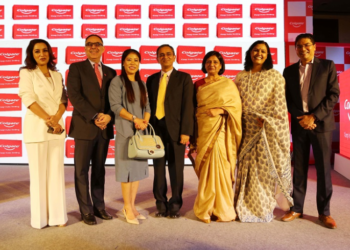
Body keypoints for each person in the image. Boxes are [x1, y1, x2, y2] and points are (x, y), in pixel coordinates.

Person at [282, 33, 340, 229]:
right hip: (300, 125)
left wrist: (313, 117)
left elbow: (333, 95)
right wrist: (302, 118)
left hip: (321, 124)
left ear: (314, 47)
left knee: (324, 170)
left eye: (307, 45)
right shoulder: (288, 71)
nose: (303, 48)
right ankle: (296, 208)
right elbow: (287, 99)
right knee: (298, 169)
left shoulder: (327, 66)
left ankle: (324, 213)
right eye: (299, 46)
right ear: (295, 49)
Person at [234, 40, 293, 222]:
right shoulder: (241, 76)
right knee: (245, 170)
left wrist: (266, 119)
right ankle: (242, 204)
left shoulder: (275, 76)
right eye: (255, 50)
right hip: (245, 129)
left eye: (263, 51)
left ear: (268, 55)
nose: (259, 53)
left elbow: (280, 105)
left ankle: (262, 207)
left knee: (263, 171)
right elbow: (236, 103)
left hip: (264, 129)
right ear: (249, 53)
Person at [67, 34, 116, 225]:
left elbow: (115, 99)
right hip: (85, 127)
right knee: (81, 170)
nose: (93, 47)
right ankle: (85, 210)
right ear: (85, 48)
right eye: (89, 45)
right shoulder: (76, 68)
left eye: (97, 44)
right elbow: (74, 96)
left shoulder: (111, 72)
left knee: (99, 170)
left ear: (103, 48)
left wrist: (108, 116)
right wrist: (95, 116)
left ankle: (99, 206)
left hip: (104, 129)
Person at [18, 39, 67, 229]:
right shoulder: (26, 73)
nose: (42, 54)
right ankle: (39, 220)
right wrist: (48, 119)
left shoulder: (57, 74)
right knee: (38, 176)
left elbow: (64, 99)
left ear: (50, 53)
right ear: (31, 54)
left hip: (57, 128)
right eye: (37, 51)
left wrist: (56, 119)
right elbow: (27, 98)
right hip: (37, 128)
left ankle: (57, 217)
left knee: (56, 173)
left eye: (45, 50)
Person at [191, 51, 242, 223]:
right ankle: (205, 208)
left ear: (221, 65)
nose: (212, 64)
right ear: (204, 65)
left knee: (221, 166)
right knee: (205, 168)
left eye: (215, 62)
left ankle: (222, 209)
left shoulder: (228, 84)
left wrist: (220, 110)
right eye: (208, 62)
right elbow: (193, 109)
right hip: (203, 129)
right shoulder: (198, 84)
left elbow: (236, 107)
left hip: (221, 130)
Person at [146, 44, 194, 218]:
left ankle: (175, 205)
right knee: (158, 170)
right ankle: (160, 204)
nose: (165, 57)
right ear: (157, 58)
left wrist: (186, 132)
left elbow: (188, 107)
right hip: (156, 131)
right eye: (161, 55)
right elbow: (148, 106)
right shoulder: (151, 79)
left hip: (177, 131)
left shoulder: (184, 78)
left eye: (168, 54)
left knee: (176, 170)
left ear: (174, 57)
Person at [109, 49, 150, 225]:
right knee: (126, 171)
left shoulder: (142, 83)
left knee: (137, 171)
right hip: (126, 132)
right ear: (123, 63)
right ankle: (126, 207)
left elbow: (147, 107)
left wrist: (144, 122)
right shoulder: (117, 82)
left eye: (136, 60)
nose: (133, 63)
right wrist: (135, 119)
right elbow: (116, 106)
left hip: (140, 132)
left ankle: (132, 206)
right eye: (129, 60)